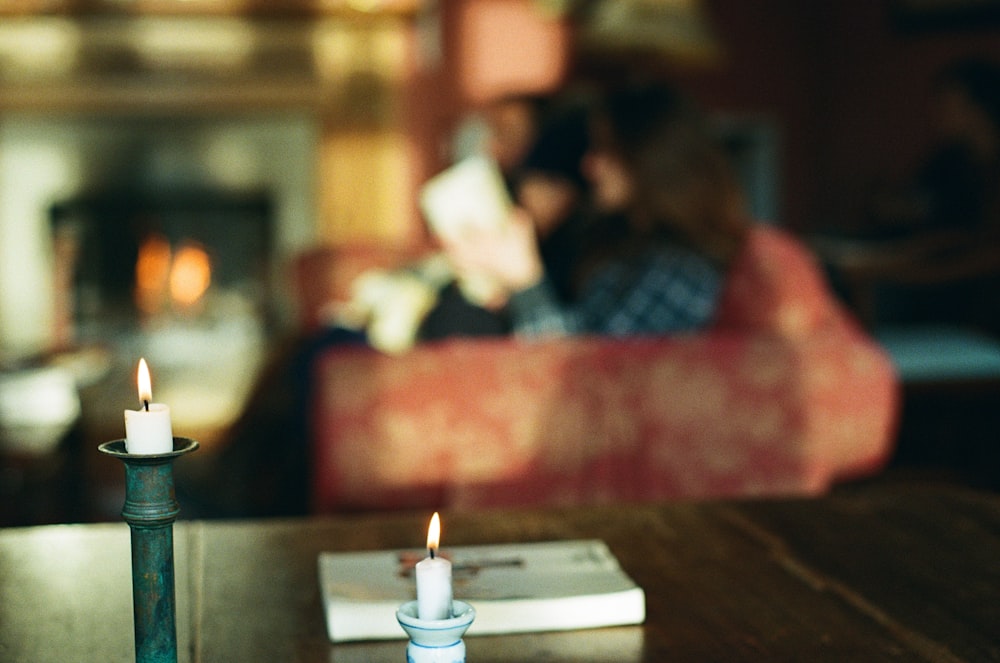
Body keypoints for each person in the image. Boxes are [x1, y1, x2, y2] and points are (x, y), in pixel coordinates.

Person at [442, 81, 748, 337]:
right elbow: (579, 329)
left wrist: (524, 281)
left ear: (651, 160)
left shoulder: (679, 272)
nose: (590, 166)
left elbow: (582, 377)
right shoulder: (622, 239)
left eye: (605, 150)